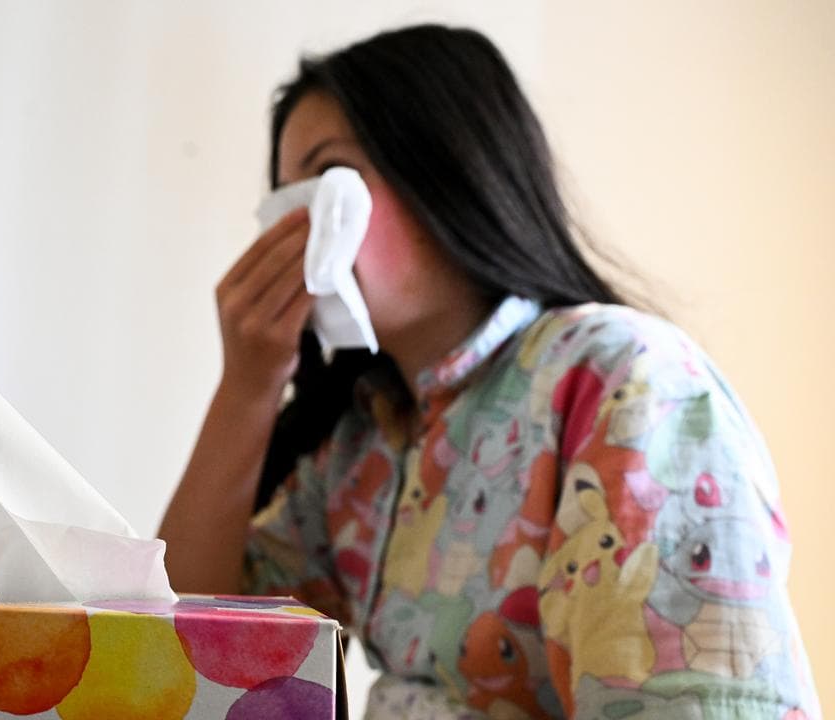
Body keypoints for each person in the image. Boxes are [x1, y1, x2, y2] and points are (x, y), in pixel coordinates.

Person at [157, 24, 820, 719]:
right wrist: (248, 385)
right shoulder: (364, 447)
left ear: (448, 165)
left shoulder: (625, 382)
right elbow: (191, 648)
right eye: (283, 197)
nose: (294, 226)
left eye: (328, 177)